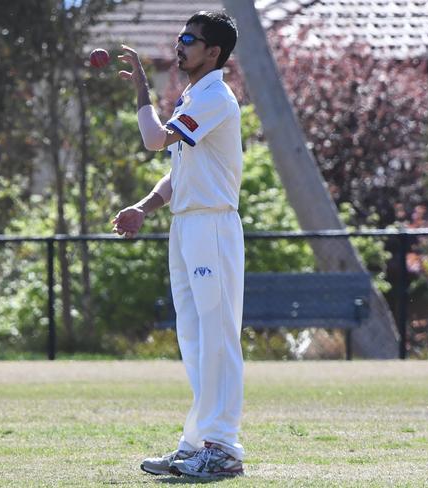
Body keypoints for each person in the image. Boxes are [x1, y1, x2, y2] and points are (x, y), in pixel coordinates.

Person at [112, 11, 244, 478]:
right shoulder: (194, 95)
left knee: (218, 338)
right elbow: (177, 168)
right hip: (187, 227)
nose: (181, 43)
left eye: (191, 39)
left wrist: (140, 91)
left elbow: (153, 140)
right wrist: (145, 207)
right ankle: (196, 443)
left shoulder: (214, 96)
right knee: (193, 337)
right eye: (181, 35)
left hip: (212, 226)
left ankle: (223, 447)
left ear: (214, 52)